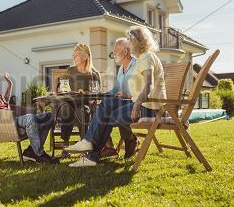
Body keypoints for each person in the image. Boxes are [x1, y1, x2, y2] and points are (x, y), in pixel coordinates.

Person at [65, 26, 167, 167]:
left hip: (150, 109)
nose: (128, 43)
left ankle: (91, 154)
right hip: (142, 103)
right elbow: (140, 87)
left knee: (107, 115)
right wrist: (130, 96)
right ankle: (89, 145)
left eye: (129, 40)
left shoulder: (146, 57)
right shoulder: (142, 59)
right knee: (106, 105)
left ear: (135, 41)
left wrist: (137, 104)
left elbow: (149, 84)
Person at [0, 58, 58, 164]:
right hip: (2, 124)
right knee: (30, 119)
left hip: (12, 120)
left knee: (49, 116)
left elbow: (5, 103)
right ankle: (39, 154)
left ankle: (31, 151)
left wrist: (10, 85)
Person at [57, 44, 101, 154]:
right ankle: (65, 143)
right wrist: (62, 89)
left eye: (76, 55)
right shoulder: (70, 70)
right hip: (69, 102)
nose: (73, 57)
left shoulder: (94, 74)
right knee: (66, 109)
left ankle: (84, 143)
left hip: (85, 104)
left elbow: (97, 95)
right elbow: (62, 87)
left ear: (86, 56)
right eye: (73, 54)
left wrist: (89, 95)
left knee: (83, 111)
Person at [100, 38, 137, 158]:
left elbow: (141, 90)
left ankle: (130, 140)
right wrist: (103, 95)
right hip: (122, 102)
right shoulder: (121, 68)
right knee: (100, 106)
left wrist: (127, 95)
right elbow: (116, 89)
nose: (113, 54)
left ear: (126, 51)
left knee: (110, 111)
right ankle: (108, 146)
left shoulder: (137, 65)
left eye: (116, 51)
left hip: (135, 104)